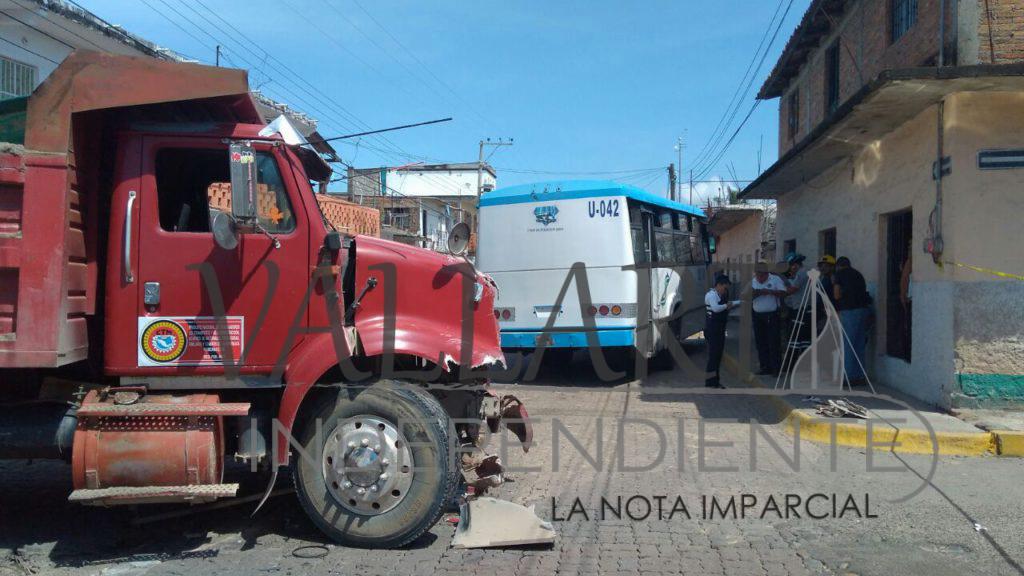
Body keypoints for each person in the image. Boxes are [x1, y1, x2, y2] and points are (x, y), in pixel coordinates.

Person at [833, 256, 872, 387]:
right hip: (863, 310)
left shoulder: (839, 275)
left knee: (847, 344)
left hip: (849, 311)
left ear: (838, 266)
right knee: (859, 343)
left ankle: (847, 377)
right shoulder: (858, 274)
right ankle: (860, 376)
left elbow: (836, 294)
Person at [751, 261, 787, 376]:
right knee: (761, 343)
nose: (760, 278)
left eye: (762, 275)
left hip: (772, 315)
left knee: (774, 342)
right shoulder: (752, 281)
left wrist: (770, 292)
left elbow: (783, 293)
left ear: (767, 273)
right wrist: (754, 293)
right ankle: (764, 367)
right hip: (757, 315)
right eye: (758, 275)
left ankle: (776, 369)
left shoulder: (775, 279)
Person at [704, 275, 738, 388]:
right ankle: (711, 382)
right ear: (718, 285)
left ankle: (715, 381)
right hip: (713, 329)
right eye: (724, 287)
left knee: (717, 356)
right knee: (713, 356)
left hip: (719, 328)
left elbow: (727, 305)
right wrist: (726, 305)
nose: (725, 290)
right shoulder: (711, 295)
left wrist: (740, 302)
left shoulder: (719, 294)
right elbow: (716, 308)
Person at [782, 252, 809, 342]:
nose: (789, 269)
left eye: (790, 266)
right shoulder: (798, 274)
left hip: (802, 309)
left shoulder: (802, 273)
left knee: (798, 335)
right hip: (797, 307)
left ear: (795, 265)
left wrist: (776, 291)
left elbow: (791, 290)